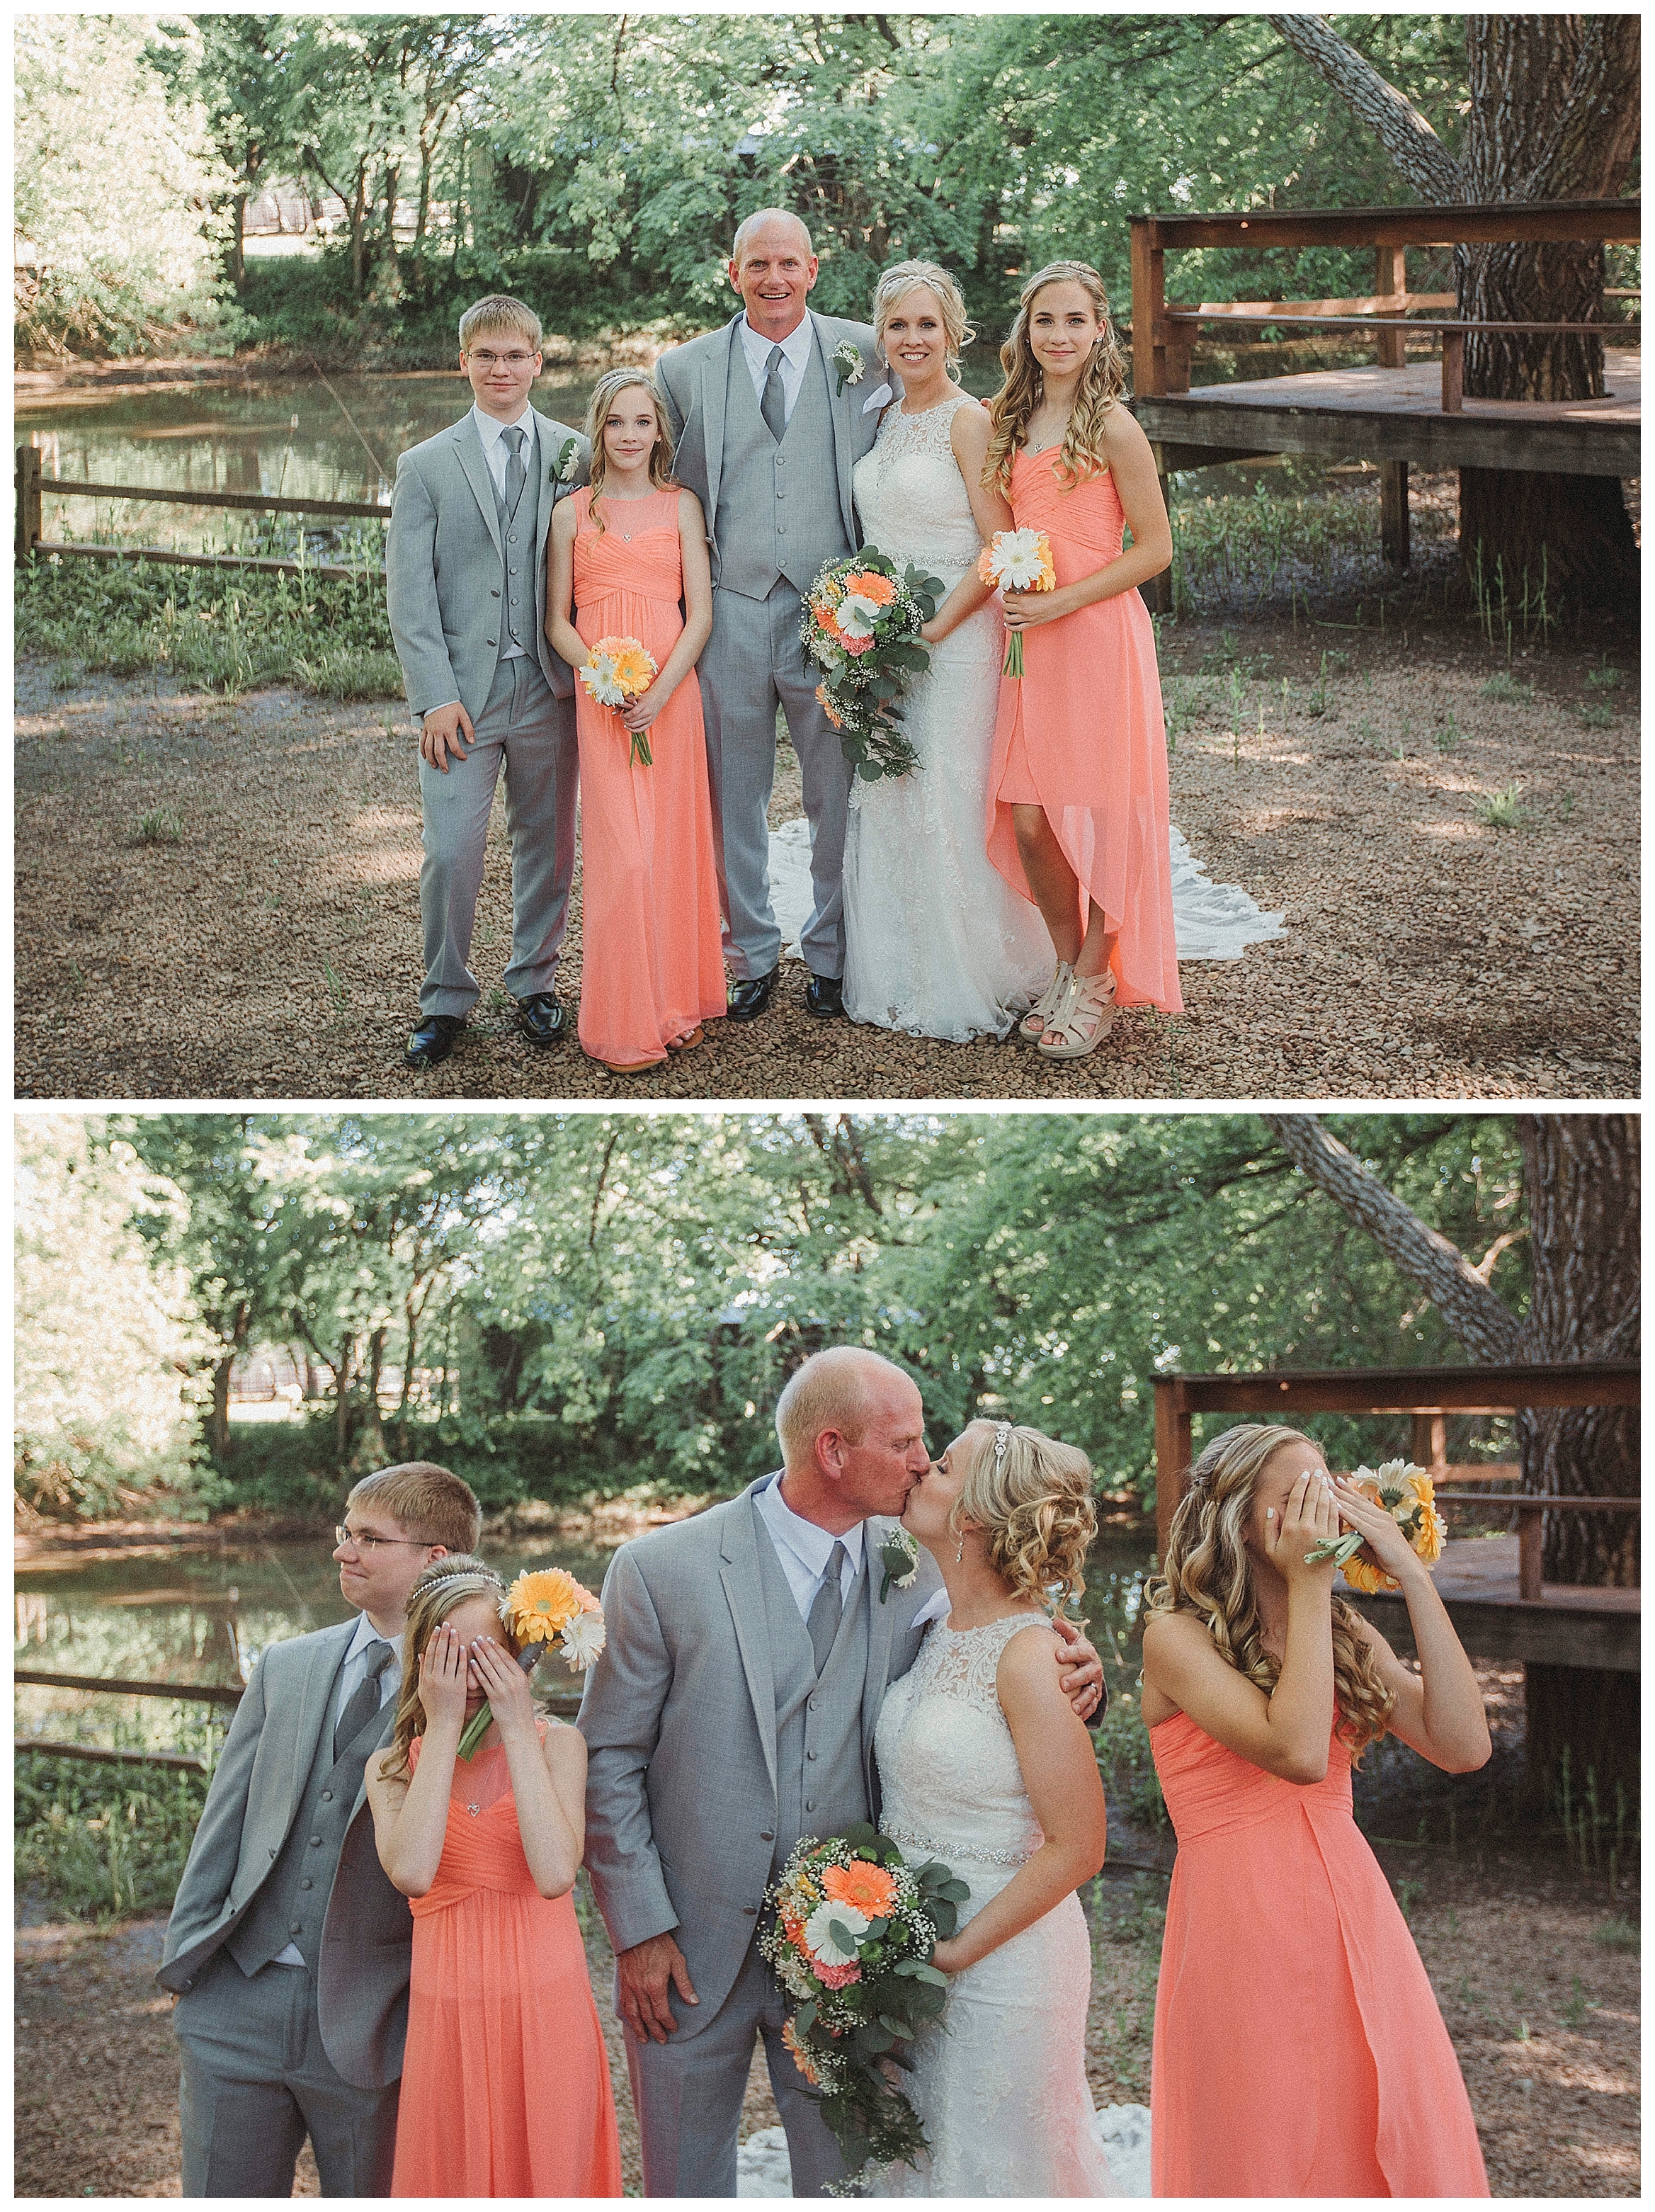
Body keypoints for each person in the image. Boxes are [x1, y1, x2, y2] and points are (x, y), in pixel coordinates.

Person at [578, 1346, 1105, 2199]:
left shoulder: (925, 1555)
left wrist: (1085, 1677)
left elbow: (1011, 1640)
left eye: (928, 1451)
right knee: (682, 2178)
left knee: (855, 2178)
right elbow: (609, 1759)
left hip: (859, 1954)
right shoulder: (660, 1569)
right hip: (686, 1946)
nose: (921, 1463)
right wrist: (639, 1928)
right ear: (833, 1451)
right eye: (904, 1444)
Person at [1139, 1424, 1492, 2197]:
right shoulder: (1175, 1637)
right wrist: (1309, 1584)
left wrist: (1408, 1572)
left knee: (1370, 2115)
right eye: (1303, 1495)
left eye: (1329, 1488)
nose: (1327, 1510)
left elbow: (1463, 1746)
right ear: (1242, 1517)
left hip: (1351, 1908)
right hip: (1242, 1920)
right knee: (1268, 2130)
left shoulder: (1341, 1631)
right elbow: (1297, 1753)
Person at [157, 1463, 481, 2197]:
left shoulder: (480, 1688)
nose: (343, 1551)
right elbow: (225, 1822)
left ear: (437, 1560)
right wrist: (191, 1963)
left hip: (381, 2019)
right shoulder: (286, 1665)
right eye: (345, 1532)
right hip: (235, 2003)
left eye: (369, 1538)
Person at [868, 1418, 1116, 2196]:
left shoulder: (1034, 1653)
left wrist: (953, 1954)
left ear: (972, 1514)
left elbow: (1079, 1847)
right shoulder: (935, 1620)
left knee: (996, 2167)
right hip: (908, 1946)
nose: (918, 1472)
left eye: (939, 1466)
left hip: (1001, 1962)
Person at [654, 210, 887, 1026]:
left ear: (814, 270)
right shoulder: (682, 370)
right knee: (734, 793)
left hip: (836, 610)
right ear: (733, 274)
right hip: (729, 609)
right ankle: (750, 954)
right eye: (758, 265)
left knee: (838, 792)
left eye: (788, 263)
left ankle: (830, 954)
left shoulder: (868, 350)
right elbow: (643, 477)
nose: (774, 279)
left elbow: (926, 432)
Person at [365, 1557, 622, 2197]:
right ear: (422, 1661)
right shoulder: (392, 1769)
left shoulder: (558, 1748)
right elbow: (414, 1872)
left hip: (544, 2010)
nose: (472, 1676)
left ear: (518, 1656)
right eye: (452, 1656)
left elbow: (555, 1872)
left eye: (489, 1655)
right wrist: (445, 1721)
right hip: (446, 2019)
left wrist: (513, 1724)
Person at [842, 262, 1052, 1040]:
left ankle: (980, 969)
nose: (911, 339)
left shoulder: (971, 419)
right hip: (883, 636)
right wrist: (859, 632)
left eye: (926, 324)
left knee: (950, 795)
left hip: (955, 637)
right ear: (881, 336)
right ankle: (901, 965)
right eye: (897, 325)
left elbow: (1001, 545)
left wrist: (930, 630)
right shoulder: (883, 418)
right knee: (895, 787)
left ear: (954, 332)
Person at [983, 260, 1183, 1060]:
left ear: (1100, 329)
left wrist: (1064, 599)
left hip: (1097, 634)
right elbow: (1001, 532)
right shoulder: (1008, 417)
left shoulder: (1114, 426)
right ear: (1025, 333)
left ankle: (1098, 978)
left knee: (1100, 812)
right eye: (1044, 322)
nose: (1058, 336)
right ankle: (1069, 965)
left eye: (1074, 321)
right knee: (1031, 817)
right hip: (1029, 640)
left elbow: (1157, 549)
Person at [386, 293, 590, 1071]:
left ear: (539, 361)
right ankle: (444, 998)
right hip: (461, 697)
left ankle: (535, 981)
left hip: (548, 686)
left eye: (515, 355)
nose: (501, 369)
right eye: (486, 356)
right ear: (463, 362)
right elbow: (410, 595)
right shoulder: (426, 466)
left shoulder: (576, 454)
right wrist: (434, 695)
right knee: (452, 849)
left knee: (547, 840)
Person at [546, 370, 726, 1072]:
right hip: (603, 701)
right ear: (600, 429)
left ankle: (673, 1004)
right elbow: (556, 620)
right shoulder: (573, 513)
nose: (629, 436)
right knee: (627, 856)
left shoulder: (682, 506)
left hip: (671, 698)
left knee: (672, 849)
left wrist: (661, 691)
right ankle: (622, 1019)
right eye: (617, 423)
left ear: (660, 432)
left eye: (642, 423)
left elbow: (701, 615)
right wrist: (600, 676)